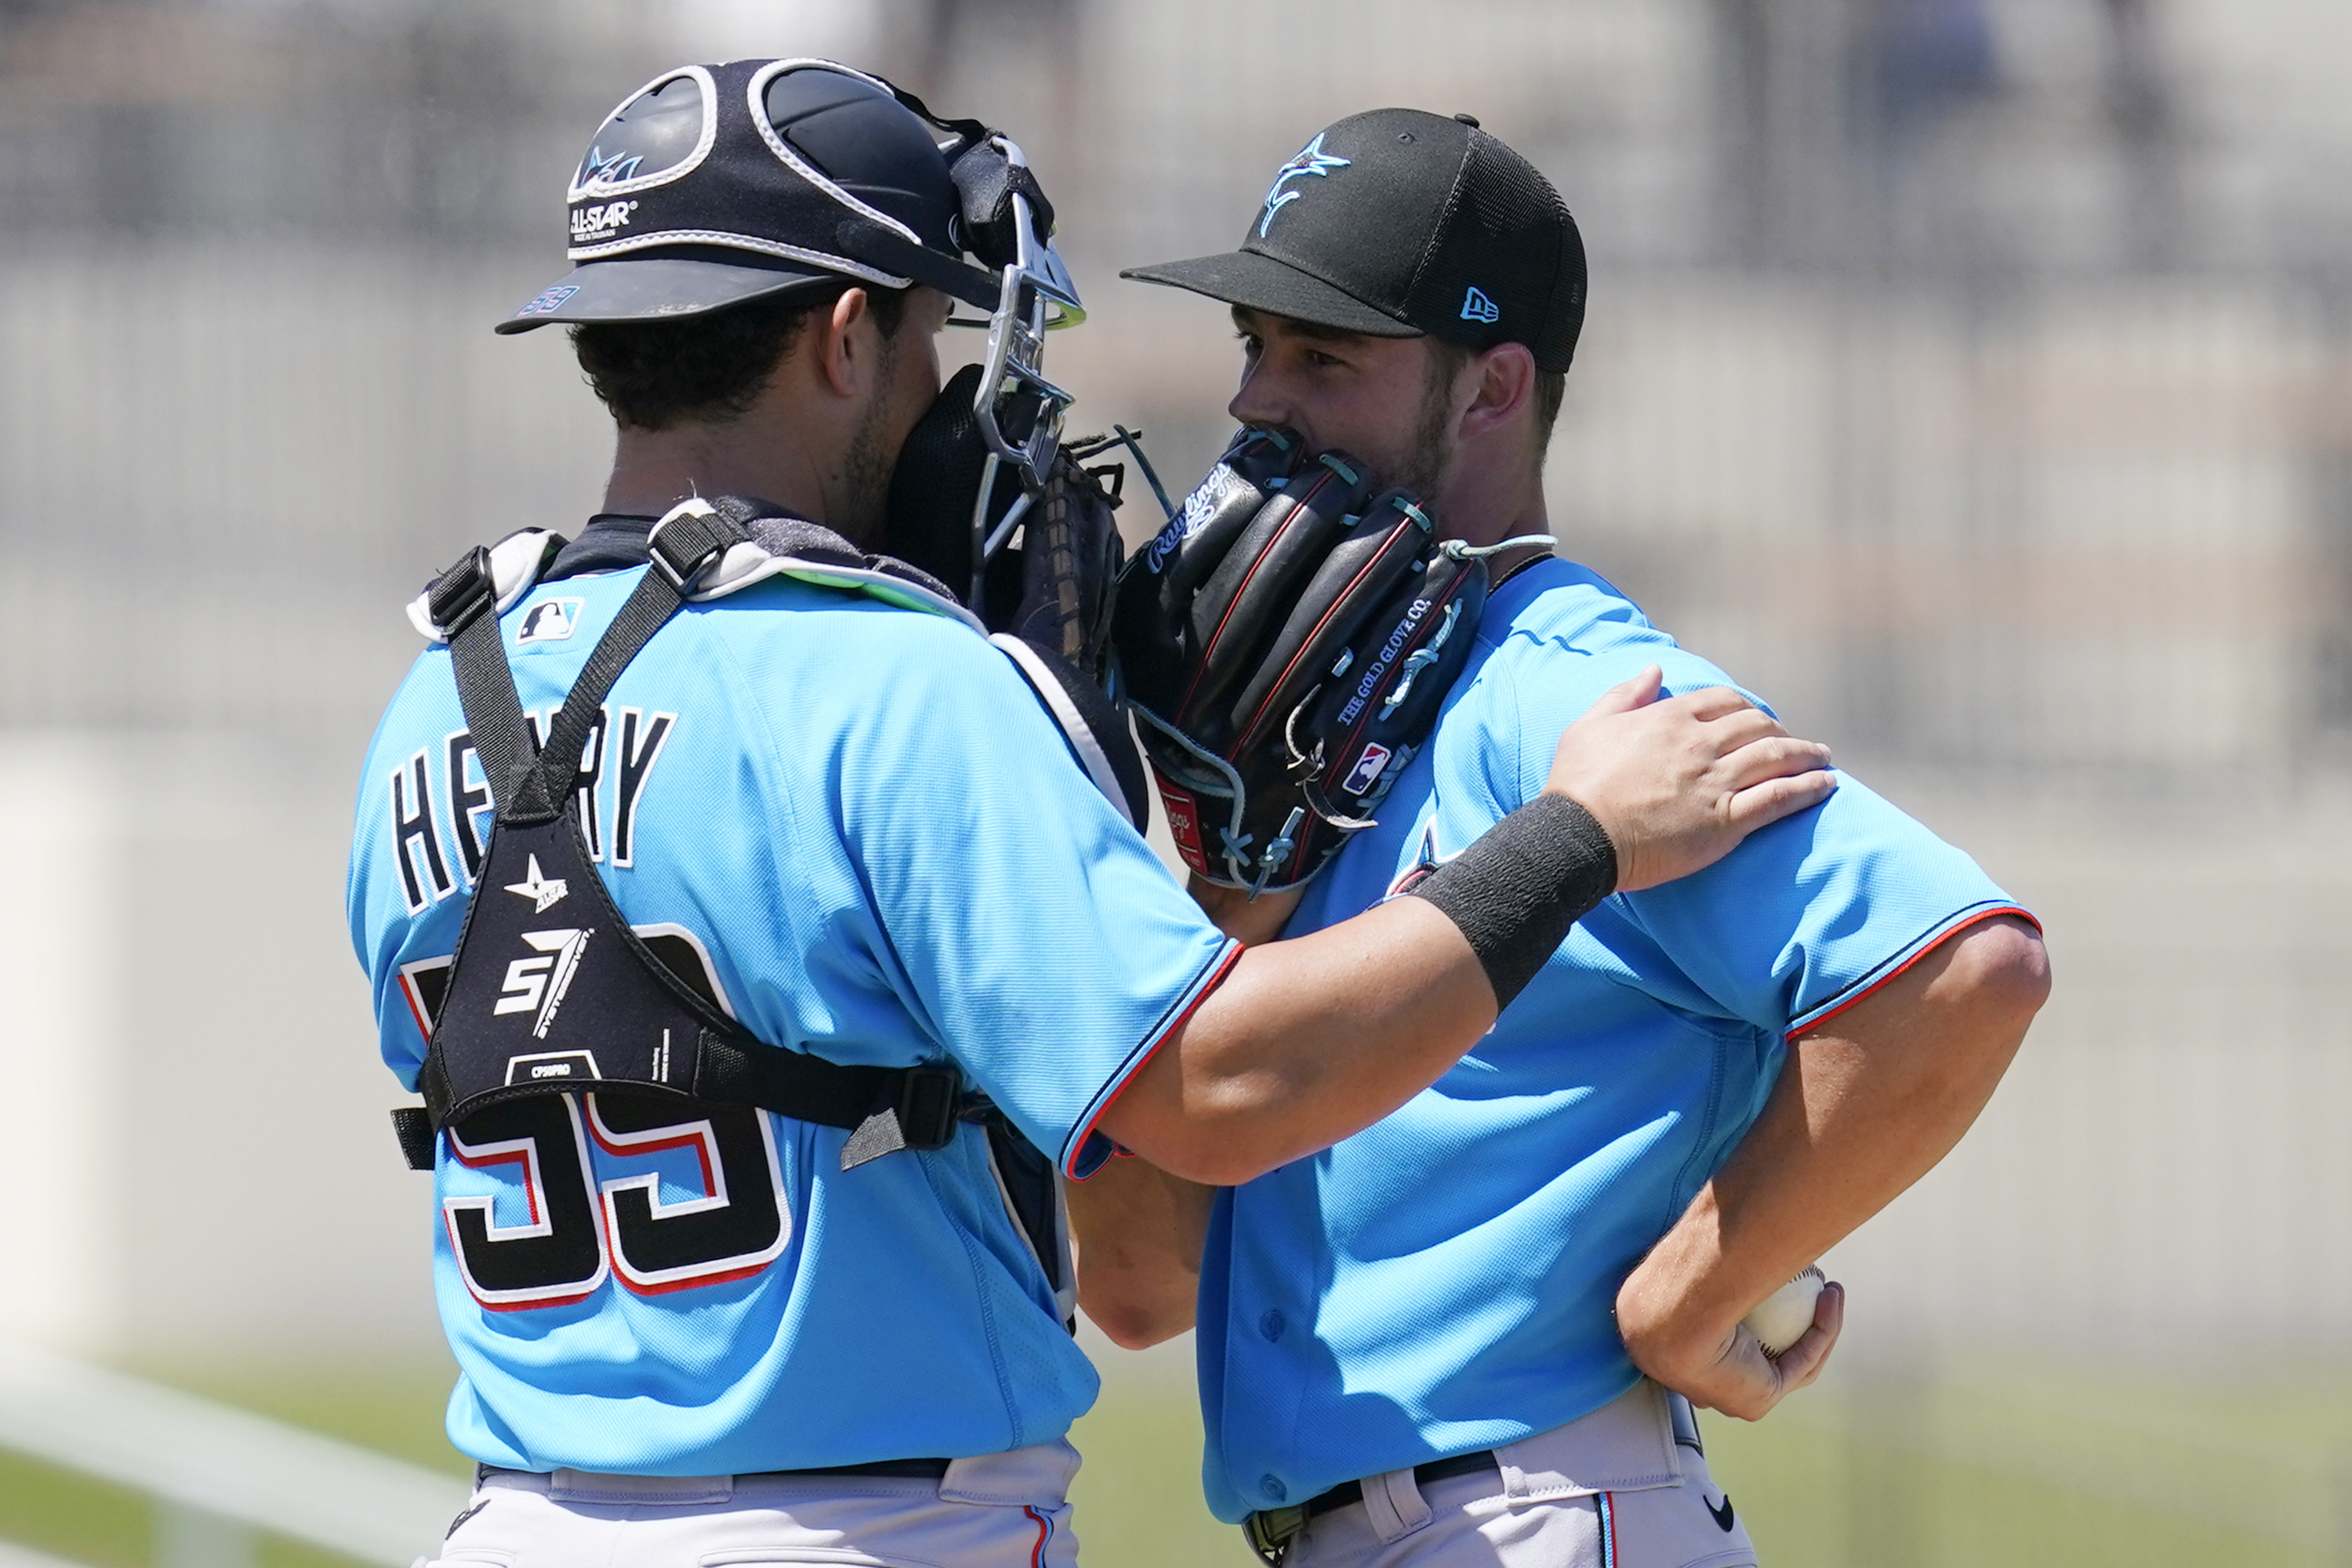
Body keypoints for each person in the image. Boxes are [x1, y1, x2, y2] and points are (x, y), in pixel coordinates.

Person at [344, 63, 1835, 1568]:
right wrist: (1577, 838)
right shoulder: (893, 679)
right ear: (850, 335)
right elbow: (1215, 1087)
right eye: (933, 330)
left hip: (515, 1521)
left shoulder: (439, 687)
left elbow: (1137, 1254)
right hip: (875, 1532)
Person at [1093, 107, 2051, 1567]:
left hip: (1540, 1510)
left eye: (1325, 358)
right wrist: (1224, 888)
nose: (1257, 407)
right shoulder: (1311, 722)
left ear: (1495, 389)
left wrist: (1697, 1287)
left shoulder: (1576, 689)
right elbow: (1145, 1287)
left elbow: (1968, 971)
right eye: (1256, 346)